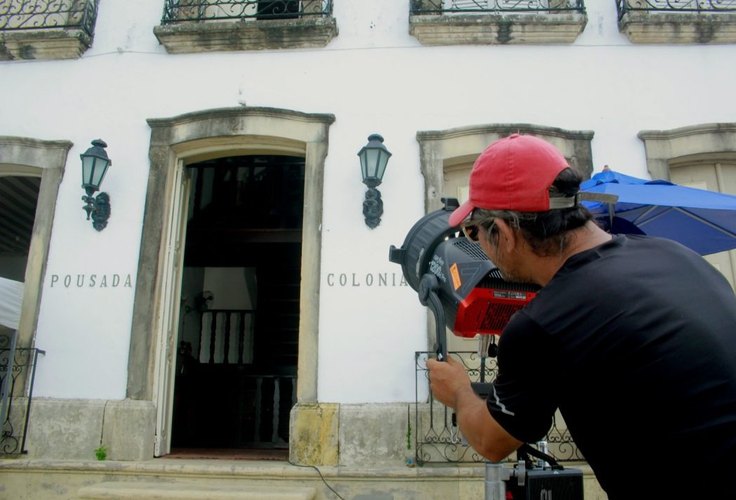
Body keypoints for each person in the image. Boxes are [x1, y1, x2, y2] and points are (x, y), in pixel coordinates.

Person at [426, 133, 736, 499]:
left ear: (505, 233)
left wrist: (459, 391)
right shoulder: (677, 254)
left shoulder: (544, 322)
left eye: (473, 233)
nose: (475, 245)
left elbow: (491, 441)